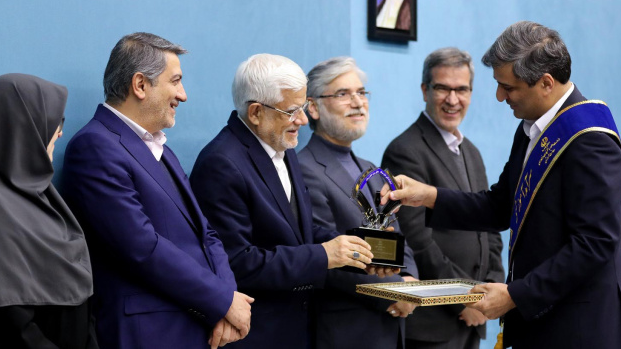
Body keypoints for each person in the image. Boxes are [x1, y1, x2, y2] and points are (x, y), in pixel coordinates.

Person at [381, 22, 621, 348]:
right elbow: (500, 206)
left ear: (546, 83)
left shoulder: (589, 139)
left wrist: (516, 294)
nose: (500, 97)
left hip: (581, 328)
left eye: (508, 88)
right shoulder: (531, 127)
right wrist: (428, 196)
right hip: (539, 323)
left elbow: (595, 243)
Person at [61, 33, 253, 349]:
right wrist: (222, 301)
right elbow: (141, 246)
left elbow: (206, 234)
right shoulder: (94, 146)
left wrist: (228, 300)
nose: (183, 95)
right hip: (148, 334)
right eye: (175, 81)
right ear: (140, 85)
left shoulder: (162, 149)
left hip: (193, 326)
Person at [190, 54, 383, 349]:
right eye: (292, 111)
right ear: (256, 112)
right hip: (256, 335)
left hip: (297, 329)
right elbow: (237, 262)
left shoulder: (281, 143)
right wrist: (323, 255)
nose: (303, 120)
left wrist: (358, 252)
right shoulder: (221, 163)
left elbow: (300, 232)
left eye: (303, 108)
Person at [0, 73, 97, 349]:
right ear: (20, 126)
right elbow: (4, 323)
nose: (60, 132)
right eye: (55, 120)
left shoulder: (45, 198)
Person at [381, 48, 504, 349]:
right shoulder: (405, 150)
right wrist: (464, 299)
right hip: (432, 324)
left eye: (461, 89)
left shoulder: (471, 152)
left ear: (471, 93)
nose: (452, 99)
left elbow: (490, 227)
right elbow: (416, 239)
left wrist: (491, 289)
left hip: (474, 319)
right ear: (425, 90)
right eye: (442, 88)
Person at [298, 56, 419, 349]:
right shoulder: (303, 169)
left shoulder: (371, 170)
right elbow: (326, 257)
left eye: (361, 92)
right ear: (313, 107)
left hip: (390, 329)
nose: (358, 103)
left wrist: (410, 280)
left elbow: (397, 237)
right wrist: (394, 292)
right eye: (343, 94)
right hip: (346, 330)